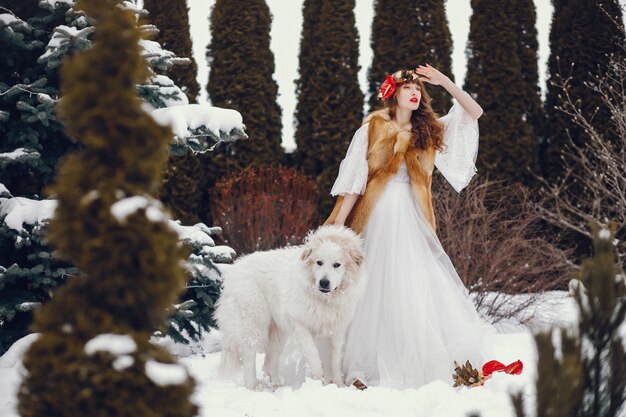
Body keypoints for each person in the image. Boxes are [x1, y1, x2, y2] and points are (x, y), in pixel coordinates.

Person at [324, 65, 495, 390]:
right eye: (408, 88)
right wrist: (338, 225)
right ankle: (360, 364)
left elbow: (474, 112)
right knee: (369, 287)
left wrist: (444, 81)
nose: (415, 93)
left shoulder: (428, 130)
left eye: (419, 89)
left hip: (411, 217)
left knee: (411, 285)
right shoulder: (372, 129)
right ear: (393, 94)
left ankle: (410, 361)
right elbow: (354, 181)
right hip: (374, 214)